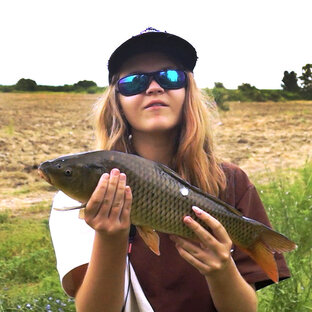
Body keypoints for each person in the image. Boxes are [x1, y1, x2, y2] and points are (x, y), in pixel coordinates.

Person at [49, 27, 291, 312]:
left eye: (170, 77)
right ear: (117, 101)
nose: (154, 87)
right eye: (134, 82)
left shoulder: (231, 182)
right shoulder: (75, 200)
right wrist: (110, 237)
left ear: (189, 91)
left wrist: (221, 269)